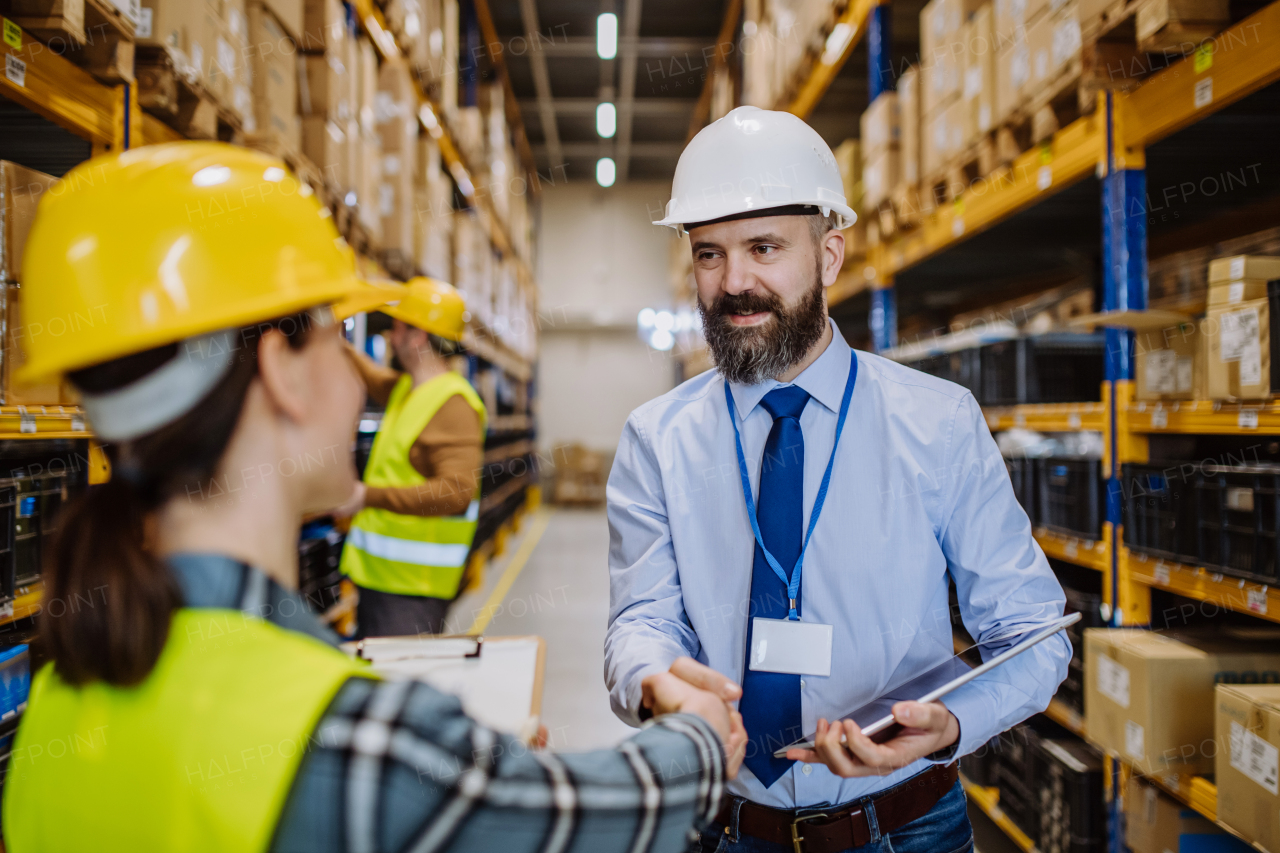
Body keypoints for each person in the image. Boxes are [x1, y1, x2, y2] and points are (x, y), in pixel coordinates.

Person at [2, 142, 746, 853]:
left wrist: (453, 790)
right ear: (283, 373)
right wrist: (701, 739)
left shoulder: (54, 714)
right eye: (337, 336)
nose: (360, 375)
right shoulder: (356, 739)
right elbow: (592, 817)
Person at [605, 106, 1071, 853]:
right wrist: (653, 680)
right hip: (725, 827)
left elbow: (1033, 634)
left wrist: (951, 723)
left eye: (764, 248)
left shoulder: (938, 422)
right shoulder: (656, 439)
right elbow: (642, 619)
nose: (734, 283)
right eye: (709, 254)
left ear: (828, 256)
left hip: (905, 825)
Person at [336, 276, 487, 637]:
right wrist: (335, 342)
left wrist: (365, 497)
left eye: (398, 327)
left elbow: (457, 492)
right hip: (382, 580)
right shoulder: (408, 389)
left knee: (397, 678)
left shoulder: (452, 404)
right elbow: (372, 376)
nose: (391, 335)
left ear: (419, 335)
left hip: (413, 590)